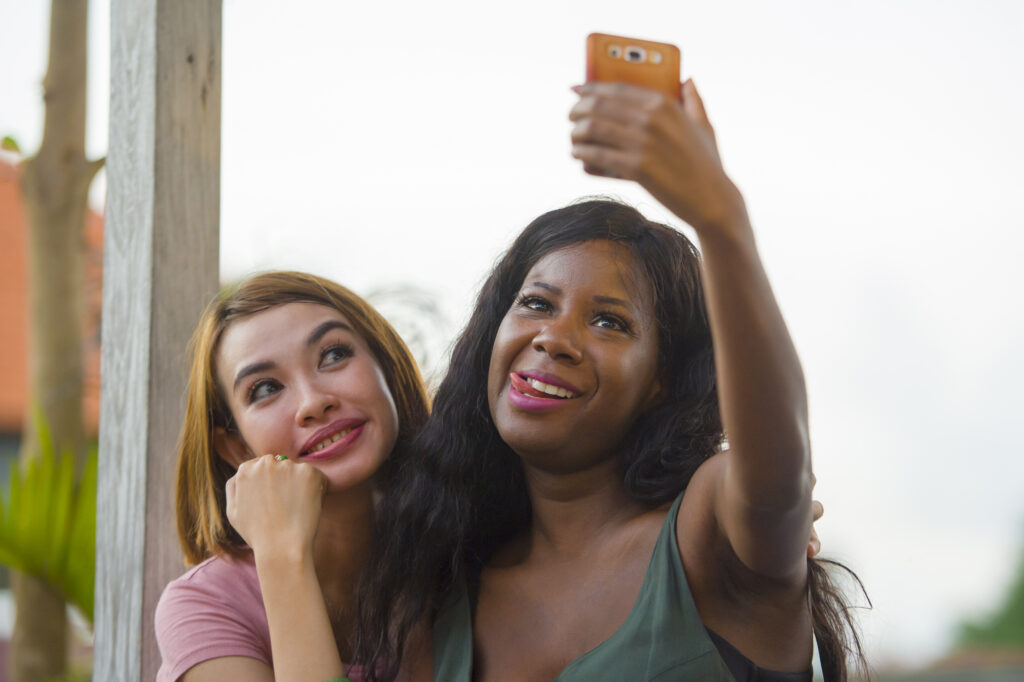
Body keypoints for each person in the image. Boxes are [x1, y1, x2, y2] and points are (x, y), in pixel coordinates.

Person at [355, 79, 866, 681]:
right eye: (537, 304)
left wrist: (721, 219)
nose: (554, 338)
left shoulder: (708, 533)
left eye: (608, 321)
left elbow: (779, 476)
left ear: (662, 380)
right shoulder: (434, 594)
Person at [154, 271, 429, 682]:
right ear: (237, 448)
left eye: (333, 355)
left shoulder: (457, 556)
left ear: (386, 369)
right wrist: (283, 557)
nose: (313, 402)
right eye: (265, 388)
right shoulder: (204, 606)